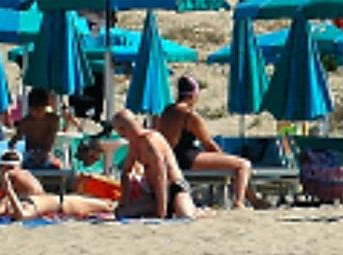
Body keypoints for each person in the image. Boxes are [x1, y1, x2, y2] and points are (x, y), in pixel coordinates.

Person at [154, 75, 257, 209]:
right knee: (243, 165)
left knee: (234, 165)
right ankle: (239, 202)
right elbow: (208, 143)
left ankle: (255, 201)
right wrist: (223, 157)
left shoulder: (167, 111)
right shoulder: (189, 115)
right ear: (194, 94)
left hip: (170, 159)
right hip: (186, 158)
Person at [110, 107, 199, 219]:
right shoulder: (134, 144)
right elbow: (126, 172)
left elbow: (161, 175)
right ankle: (162, 207)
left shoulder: (151, 141)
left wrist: (161, 211)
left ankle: (198, 210)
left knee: (186, 216)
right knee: (122, 213)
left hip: (174, 187)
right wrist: (124, 201)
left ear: (122, 130)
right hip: (154, 193)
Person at [15, 87, 66, 169]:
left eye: (39, 110)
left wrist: (43, 154)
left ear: (46, 107)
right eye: (33, 110)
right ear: (29, 108)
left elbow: (50, 140)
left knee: (57, 166)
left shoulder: (52, 120)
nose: (36, 113)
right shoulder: (26, 122)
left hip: (46, 153)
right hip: (29, 155)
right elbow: (16, 139)